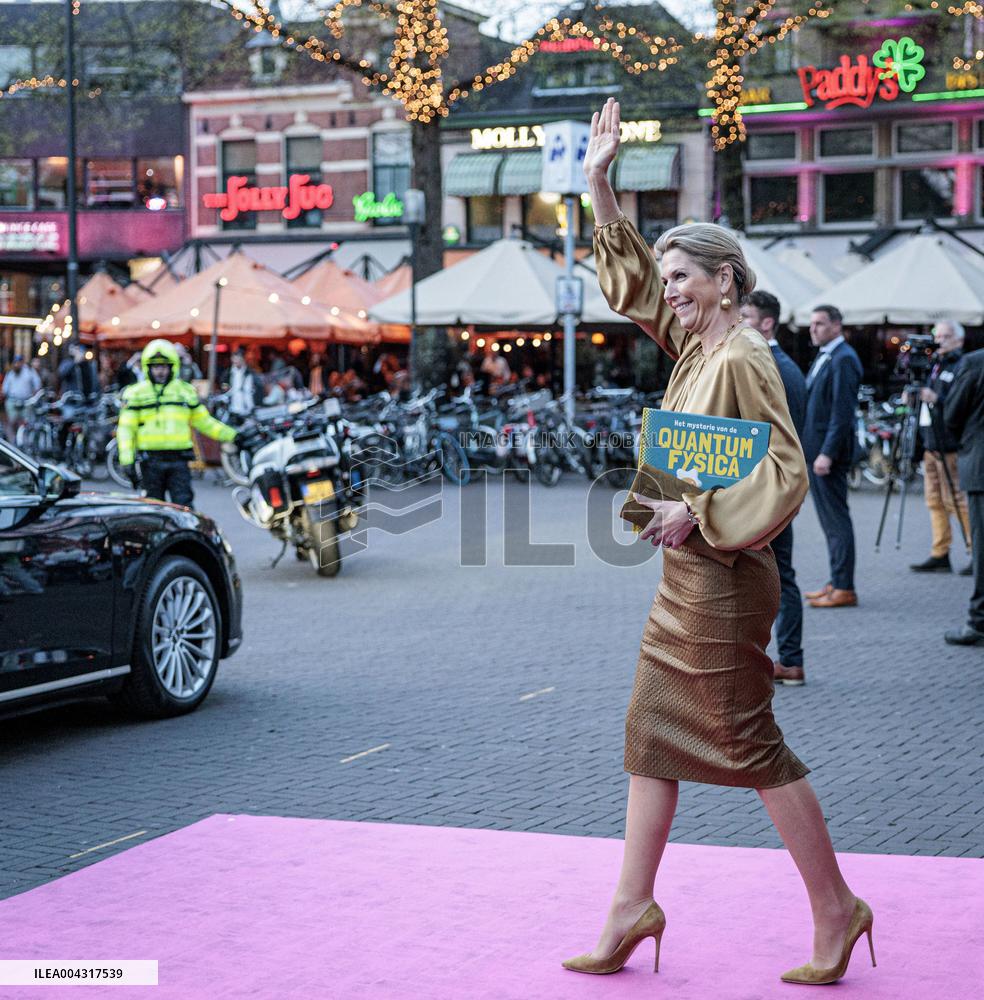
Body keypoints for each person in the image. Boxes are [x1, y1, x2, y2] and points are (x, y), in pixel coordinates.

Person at [563, 98, 872, 987]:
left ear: (727, 281)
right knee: (651, 736)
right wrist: (598, 181)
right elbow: (627, 286)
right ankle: (630, 909)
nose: (669, 290)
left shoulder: (739, 357)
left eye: (685, 276)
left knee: (749, 745)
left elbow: (780, 466)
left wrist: (699, 512)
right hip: (686, 577)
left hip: (725, 577)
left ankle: (836, 908)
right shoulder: (695, 349)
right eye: (667, 276)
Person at [740, 290, 809, 685]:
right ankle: (788, 658)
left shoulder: (770, 366)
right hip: (776, 489)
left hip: (769, 490)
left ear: (767, 323)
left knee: (778, 576)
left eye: (746, 316)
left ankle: (789, 657)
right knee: (779, 573)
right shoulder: (784, 365)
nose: (738, 322)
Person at [117, 339, 240, 508]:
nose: (160, 371)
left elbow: (204, 421)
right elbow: (126, 429)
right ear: (148, 367)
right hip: (150, 461)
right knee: (153, 509)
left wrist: (233, 435)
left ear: (172, 367)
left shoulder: (184, 392)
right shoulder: (136, 393)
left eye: (164, 366)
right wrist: (127, 460)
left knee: (184, 508)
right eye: (155, 366)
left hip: (178, 461)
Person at [801, 305, 863, 609]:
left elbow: (842, 413)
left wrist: (826, 453)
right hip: (816, 452)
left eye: (820, 324)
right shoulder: (826, 355)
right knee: (829, 521)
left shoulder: (844, 359)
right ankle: (836, 580)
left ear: (837, 326)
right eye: (812, 324)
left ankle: (844, 587)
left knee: (837, 521)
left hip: (829, 456)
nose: (813, 329)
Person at [905, 320, 972, 576]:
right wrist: (912, 397)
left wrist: (938, 399)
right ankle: (940, 552)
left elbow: (963, 401)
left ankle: (974, 550)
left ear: (959, 340)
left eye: (946, 336)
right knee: (934, 500)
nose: (940, 341)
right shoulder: (933, 364)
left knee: (957, 500)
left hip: (950, 445)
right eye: (938, 335)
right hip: (930, 444)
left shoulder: (961, 365)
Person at [942, 347, 984, 645]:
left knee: (981, 549)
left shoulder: (974, 362)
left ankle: (978, 621)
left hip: (980, 466)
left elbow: (952, 414)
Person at [1, 355, 42, 440]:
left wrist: (34, 396)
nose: (16, 364)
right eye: (15, 362)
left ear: (22, 363)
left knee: (26, 423)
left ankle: (25, 441)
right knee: (12, 422)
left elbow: (37, 385)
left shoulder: (29, 371)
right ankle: (14, 440)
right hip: (13, 401)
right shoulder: (11, 373)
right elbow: (5, 389)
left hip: (26, 401)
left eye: (18, 362)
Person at [225, 348, 261, 421]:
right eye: (234, 359)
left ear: (243, 359)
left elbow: (258, 389)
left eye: (238, 359)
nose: (235, 361)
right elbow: (224, 384)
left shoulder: (250, 373)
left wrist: (256, 403)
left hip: (247, 408)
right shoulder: (229, 372)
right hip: (233, 408)